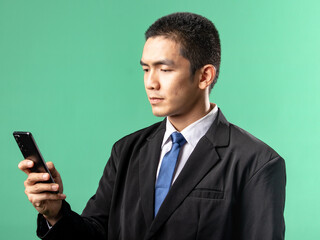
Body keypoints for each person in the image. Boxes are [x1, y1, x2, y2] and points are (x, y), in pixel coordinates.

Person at [18, 12, 286, 240]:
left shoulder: (257, 162)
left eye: (164, 69)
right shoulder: (126, 150)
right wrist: (55, 213)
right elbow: (96, 233)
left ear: (204, 76)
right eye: (146, 69)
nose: (150, 82)